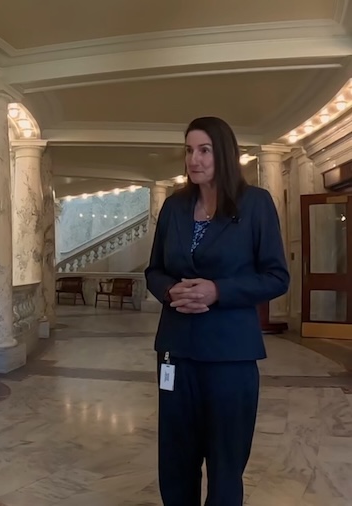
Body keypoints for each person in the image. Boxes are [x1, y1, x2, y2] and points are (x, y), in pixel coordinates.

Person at [145, 116, 289, 505]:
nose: (194, 159)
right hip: (176, 350)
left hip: (230, 356)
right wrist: (170, 289)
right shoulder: (174, 207)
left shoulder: (255, 203)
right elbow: (154, 270)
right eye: (189, 150)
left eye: (204, 150)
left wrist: (217, 291)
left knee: (225, 462)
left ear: (223, 153)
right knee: (175, 458)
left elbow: (276, 277)